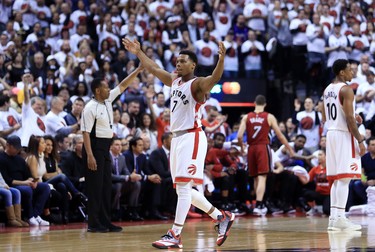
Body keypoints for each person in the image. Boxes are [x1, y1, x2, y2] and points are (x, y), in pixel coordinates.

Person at [123, 38, 235, 249]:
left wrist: (221, 59)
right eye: (177, 61)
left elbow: (215, 78)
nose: (178, 64)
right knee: (182, 190)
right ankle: (221, 217)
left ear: (193, 65)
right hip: (176, 139)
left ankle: (175, 233)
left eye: (182, 61)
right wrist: (138, 52)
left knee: (184, 187)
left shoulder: (198, 83)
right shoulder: (175, 80)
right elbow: (154, 67)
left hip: (192, 137)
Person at [81, 64, 143, 233]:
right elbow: (85, 133)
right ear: (97, 90)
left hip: (105, 147)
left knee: (106, 186)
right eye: (106, 87)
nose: (109, 90)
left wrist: (137, 71)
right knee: (95, 188)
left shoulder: (108, 100)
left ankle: (105, 221)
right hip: (94, 147)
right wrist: (90, 156)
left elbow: (122, 85)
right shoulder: (89, 108)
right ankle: (93, 224)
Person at [322, 59, 365, 231]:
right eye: (349, 70)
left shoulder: (327, 89)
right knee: (345, 178)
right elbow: (348, 119)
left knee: (336, 180)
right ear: (341, 72)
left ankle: (334, 218)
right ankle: (340, 217)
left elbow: (325, 115)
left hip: (331, 133)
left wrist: (352, 115)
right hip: (343, 135)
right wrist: (360, 140)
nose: (352, 72)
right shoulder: (346, 89)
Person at [237, 95, 295, 216]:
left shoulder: (247, 117)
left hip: (251, 147)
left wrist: (242, 148)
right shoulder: (269, 116)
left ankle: (258, 204)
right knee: (262, 177)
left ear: (254, 103)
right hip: (263, 147)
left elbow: (239, 136)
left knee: (255, 177)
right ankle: (259, 205)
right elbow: (280, 135)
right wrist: (289, 148)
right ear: (265, 104)